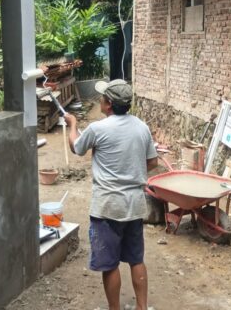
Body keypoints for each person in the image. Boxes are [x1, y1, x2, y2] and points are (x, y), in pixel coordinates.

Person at [64, 80, 159, 310]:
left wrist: (73, 123)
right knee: (136, 259)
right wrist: (132, 171)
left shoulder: (98, 129)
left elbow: (76, 147)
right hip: (134, 206)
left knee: (110, 264)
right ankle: (142, 307)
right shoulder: (141, 127)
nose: (100, 100)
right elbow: (153, 162)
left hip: (107, 207)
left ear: (108, 104)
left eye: (102, 97)